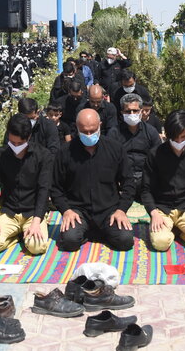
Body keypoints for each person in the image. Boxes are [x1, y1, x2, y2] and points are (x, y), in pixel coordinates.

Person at [51, 108, 135, 252]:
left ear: (100, 125)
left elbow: (129, 183)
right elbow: (55, 187)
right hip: (79, 212)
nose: (89, 135)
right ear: (77, 128)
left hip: (109, 210)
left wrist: (121, 210)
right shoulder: (65, 152)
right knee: (70, 241)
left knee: (125, 241)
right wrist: (66, 211)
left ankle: (99, 232)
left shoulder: (115, 149)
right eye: (84, 132)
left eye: (92, 130)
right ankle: (88, 232)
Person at [0, 114, 53, 256]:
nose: (15, 147)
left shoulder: (43, 155)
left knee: (36, 247)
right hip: (9, 213)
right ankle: (15, 237)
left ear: (28, 138)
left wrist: (37, 221)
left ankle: (26, 235)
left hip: (33, 213)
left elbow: (44, 189)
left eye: (19, 144)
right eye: (11, 142)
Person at [142, 111, 185, 252]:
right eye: (174, 138)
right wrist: (154, 214)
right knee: (160, 244)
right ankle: (173, 231)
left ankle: (179, 231)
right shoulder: (155, 154)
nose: (179, 142)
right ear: (166, 135)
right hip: (162, 208)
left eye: (183, 137)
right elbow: (146, 189)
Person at [107, 93, 160, 198]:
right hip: (123, 178)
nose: (132, 114)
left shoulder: (151, 132)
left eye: (135, 111)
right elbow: (109, 160)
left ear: (141, 111)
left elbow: (158, 158)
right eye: (128, 111)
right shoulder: (114, 133)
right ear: (122, 112)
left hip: (145, 177)